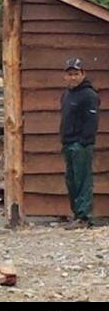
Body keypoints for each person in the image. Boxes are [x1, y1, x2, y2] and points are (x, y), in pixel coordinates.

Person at [59, 58, 100, 229]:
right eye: (69, 74)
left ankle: (84, 217)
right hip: (68, 143)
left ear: (83, 74)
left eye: (76, 74)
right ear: (65, 76)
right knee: (72, 180)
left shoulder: (90, 95)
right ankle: (76, 213)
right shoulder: (66, 95)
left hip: (81, 144)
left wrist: (84, 141)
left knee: (83, 180)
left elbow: (92, 121)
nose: (73, 78)